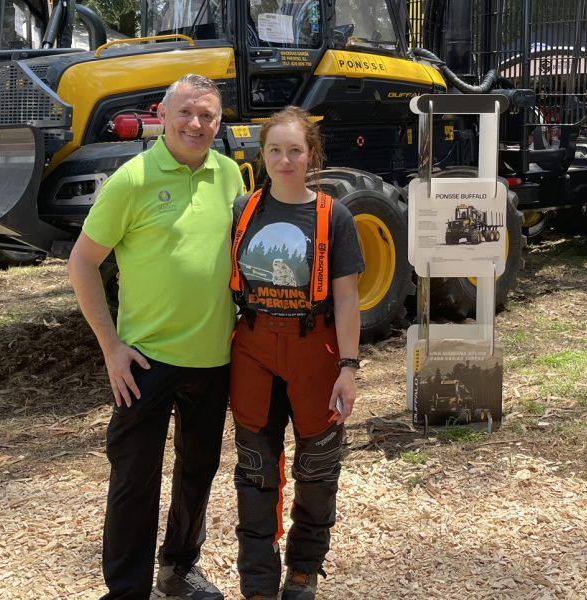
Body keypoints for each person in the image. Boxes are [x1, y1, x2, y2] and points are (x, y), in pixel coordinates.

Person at [68, 73, 244, 600]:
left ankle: (179, 569)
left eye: (207, 115)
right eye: (186, 112)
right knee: (134, 481)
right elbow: (82, 264)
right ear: (163, 116)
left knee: (199, 472)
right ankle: (126, 591)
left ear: (218, 122)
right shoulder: (132, 179)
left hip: (213, 356)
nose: (196, 123)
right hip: (145, 362)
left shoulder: (231, 175)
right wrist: (111, 349)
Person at [228, 106, 363, 600]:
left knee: (318, 467)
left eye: (295, 150)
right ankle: (258, 582)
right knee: (254, 470)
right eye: (275, 150)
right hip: (255, 349)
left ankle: (304, 569)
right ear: (262, 155)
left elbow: (347, 298)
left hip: (315, 351)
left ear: (312, 155)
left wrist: (348, 367)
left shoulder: (335, 216)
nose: (285, 160)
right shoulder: (242, 211)